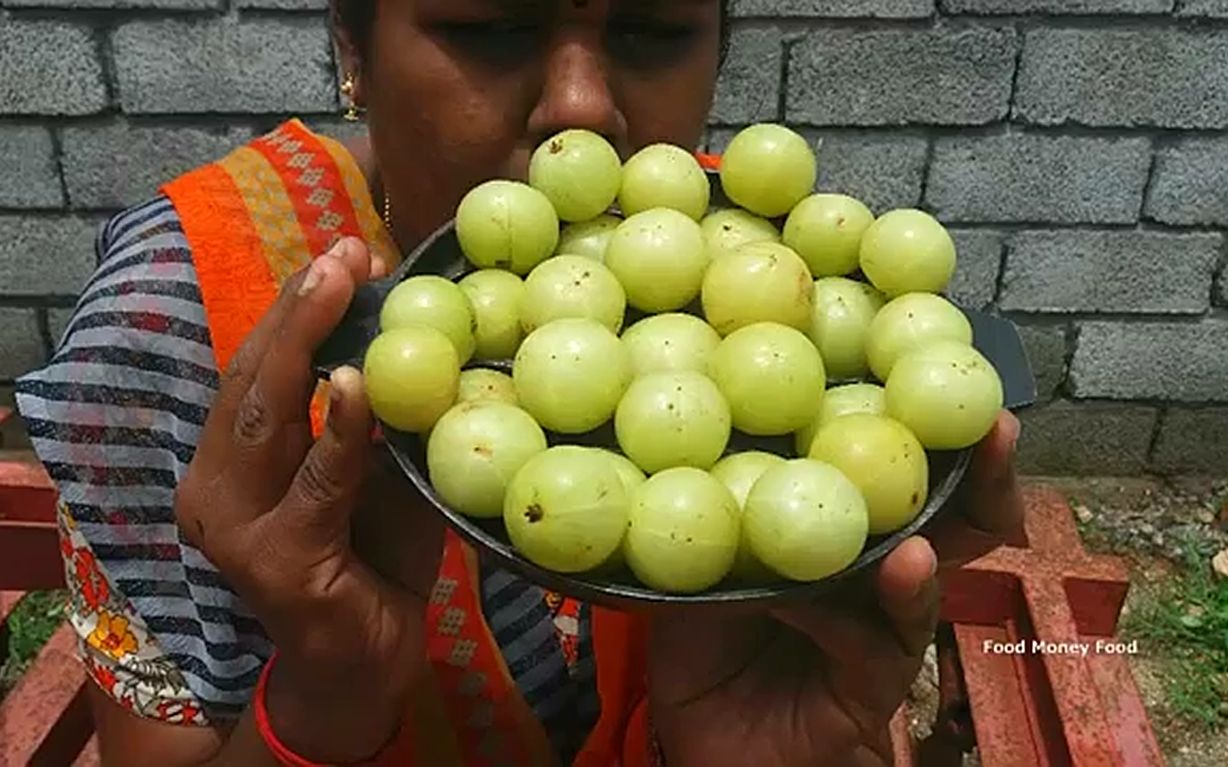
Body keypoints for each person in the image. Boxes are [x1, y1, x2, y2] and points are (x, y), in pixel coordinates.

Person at [14, 0, 1024, 764]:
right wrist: (325, 691)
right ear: (353, 48)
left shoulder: (759, 281)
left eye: (653, 31)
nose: (580, 106)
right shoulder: (177, 315)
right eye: (489, 27)